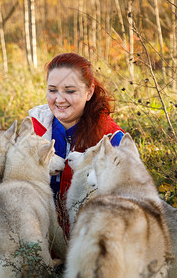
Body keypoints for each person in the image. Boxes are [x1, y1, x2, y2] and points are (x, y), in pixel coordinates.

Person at [28, 52, 124, 233]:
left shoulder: (112, 139)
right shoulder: (33, 130)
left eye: (70, 91)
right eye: (52, 90)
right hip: (39, 245)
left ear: (89, 92)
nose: (59, 99)